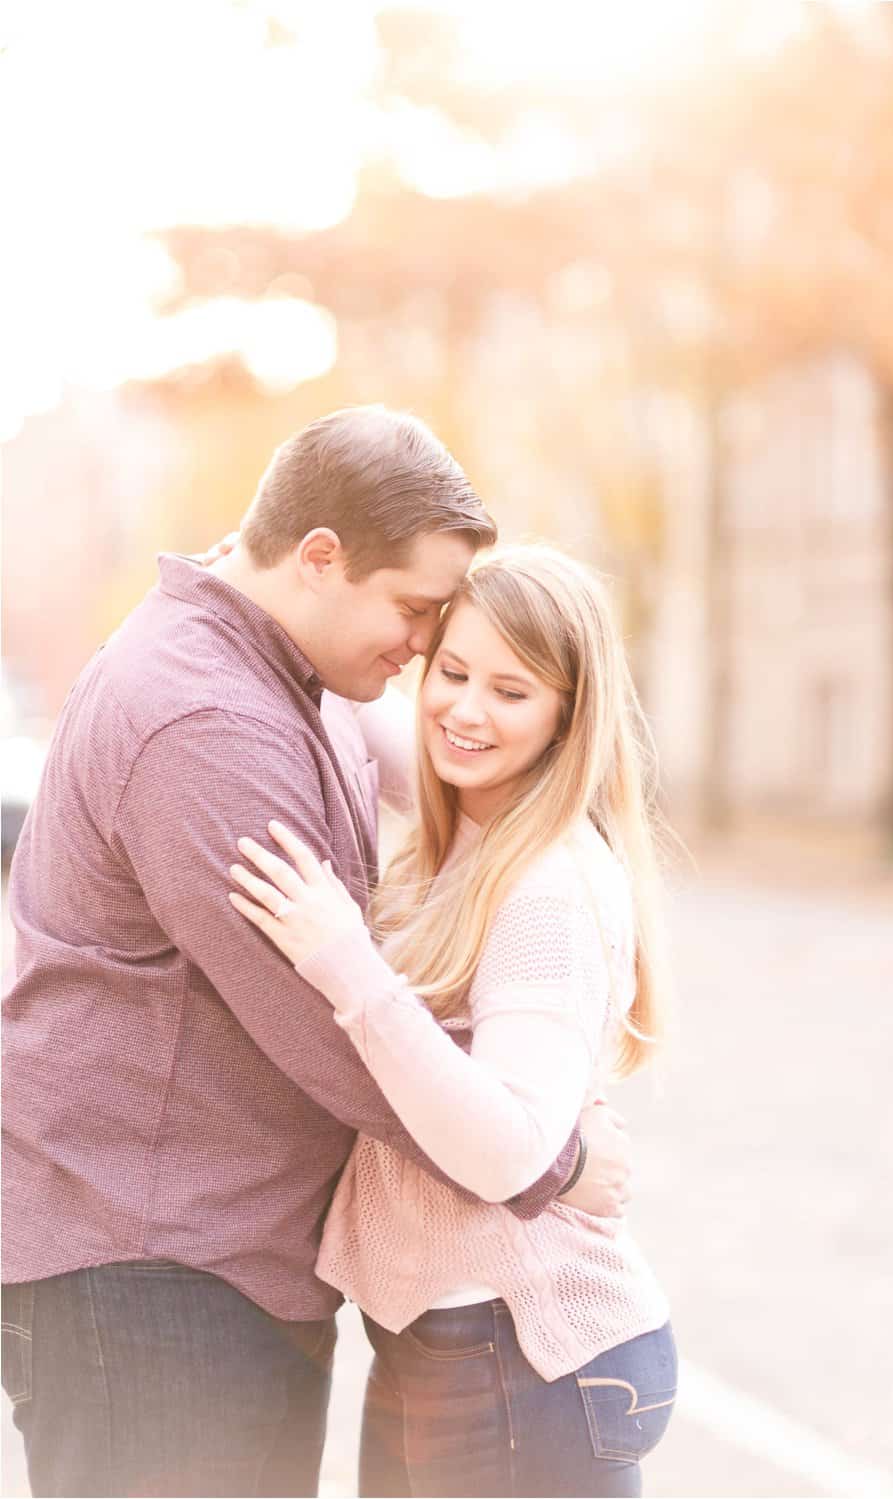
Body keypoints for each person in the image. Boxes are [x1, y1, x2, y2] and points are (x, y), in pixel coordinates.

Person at [1, 407, 630, 1499]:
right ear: (320, 556)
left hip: (207, 1266)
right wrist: (545, 1154)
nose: (424, 645)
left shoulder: (295, 670)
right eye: (416, 609)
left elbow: (470, 758)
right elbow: (341, 1033)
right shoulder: (203, 721)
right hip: (152, 1269)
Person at [229, 544, 677, 1498]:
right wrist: (255, 564)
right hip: (444, 1348)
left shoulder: (546, 884)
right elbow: (345, 679)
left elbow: (511, 1150)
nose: (466, 710)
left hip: (519, 1356)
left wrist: (346, 961)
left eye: (512, 692)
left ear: (567, 716)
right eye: (454, 672)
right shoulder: (468, 823)